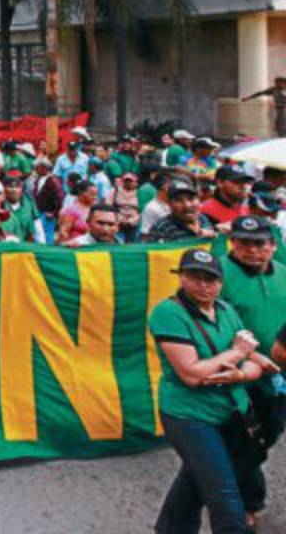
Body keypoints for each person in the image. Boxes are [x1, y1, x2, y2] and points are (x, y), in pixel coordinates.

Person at [148, 248, 279, 533]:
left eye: (211, 279)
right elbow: (193, 374)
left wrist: (240, 372)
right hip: (190, 417)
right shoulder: (168, 313)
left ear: (220, 283)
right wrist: (236, 353)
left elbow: (255, 363)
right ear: (181, 277)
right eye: (194, 277)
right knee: (225, 496)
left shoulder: (225, 310)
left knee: (196, 480)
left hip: (232, 413)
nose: (203, 285)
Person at [218, 214, 286, 516]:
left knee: (265, 436)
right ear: (232, 243)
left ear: (272, 245)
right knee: (248, 442)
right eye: (243, 243)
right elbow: (212, 325)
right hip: (244, 376)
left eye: (259, 243)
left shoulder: (283, 273)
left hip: (281, 375)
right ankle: (247, 504)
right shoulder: (216, 273)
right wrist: (249, 357)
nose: (252, 250)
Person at [146, 180, 218, 243]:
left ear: (199, 200)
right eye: (178, 200)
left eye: (191, 199)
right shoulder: (161, 228)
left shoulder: (203, 219)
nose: (187, 205)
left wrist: (215, 235)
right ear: (169, 204)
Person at [57, 180, 97, 245]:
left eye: (96, 195)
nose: (94, 197)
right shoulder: (71, 211)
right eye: (92, 194)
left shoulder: (94, 208)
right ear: (81, 193)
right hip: (75, 248)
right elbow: (63, 233)